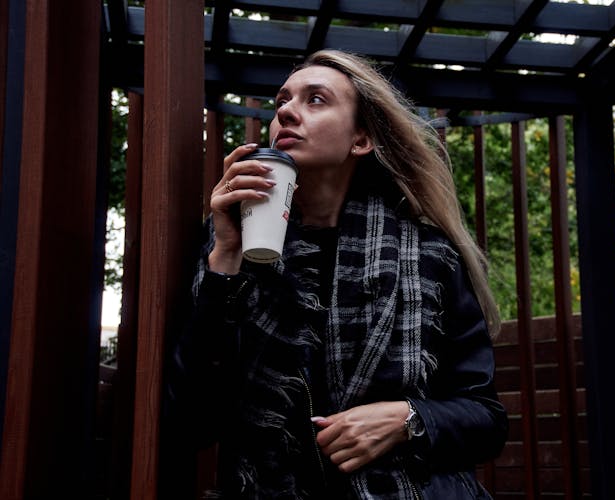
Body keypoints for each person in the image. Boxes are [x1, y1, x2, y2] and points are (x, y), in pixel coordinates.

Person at [168, 49, 507, 499]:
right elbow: (188, 421)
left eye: (316, 100)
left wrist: (406, 420)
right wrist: (227, 257)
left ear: (360, 139)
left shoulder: (430, 254)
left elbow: (486, 419)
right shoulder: (226, 244)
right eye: (281, 102)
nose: (286, 111)